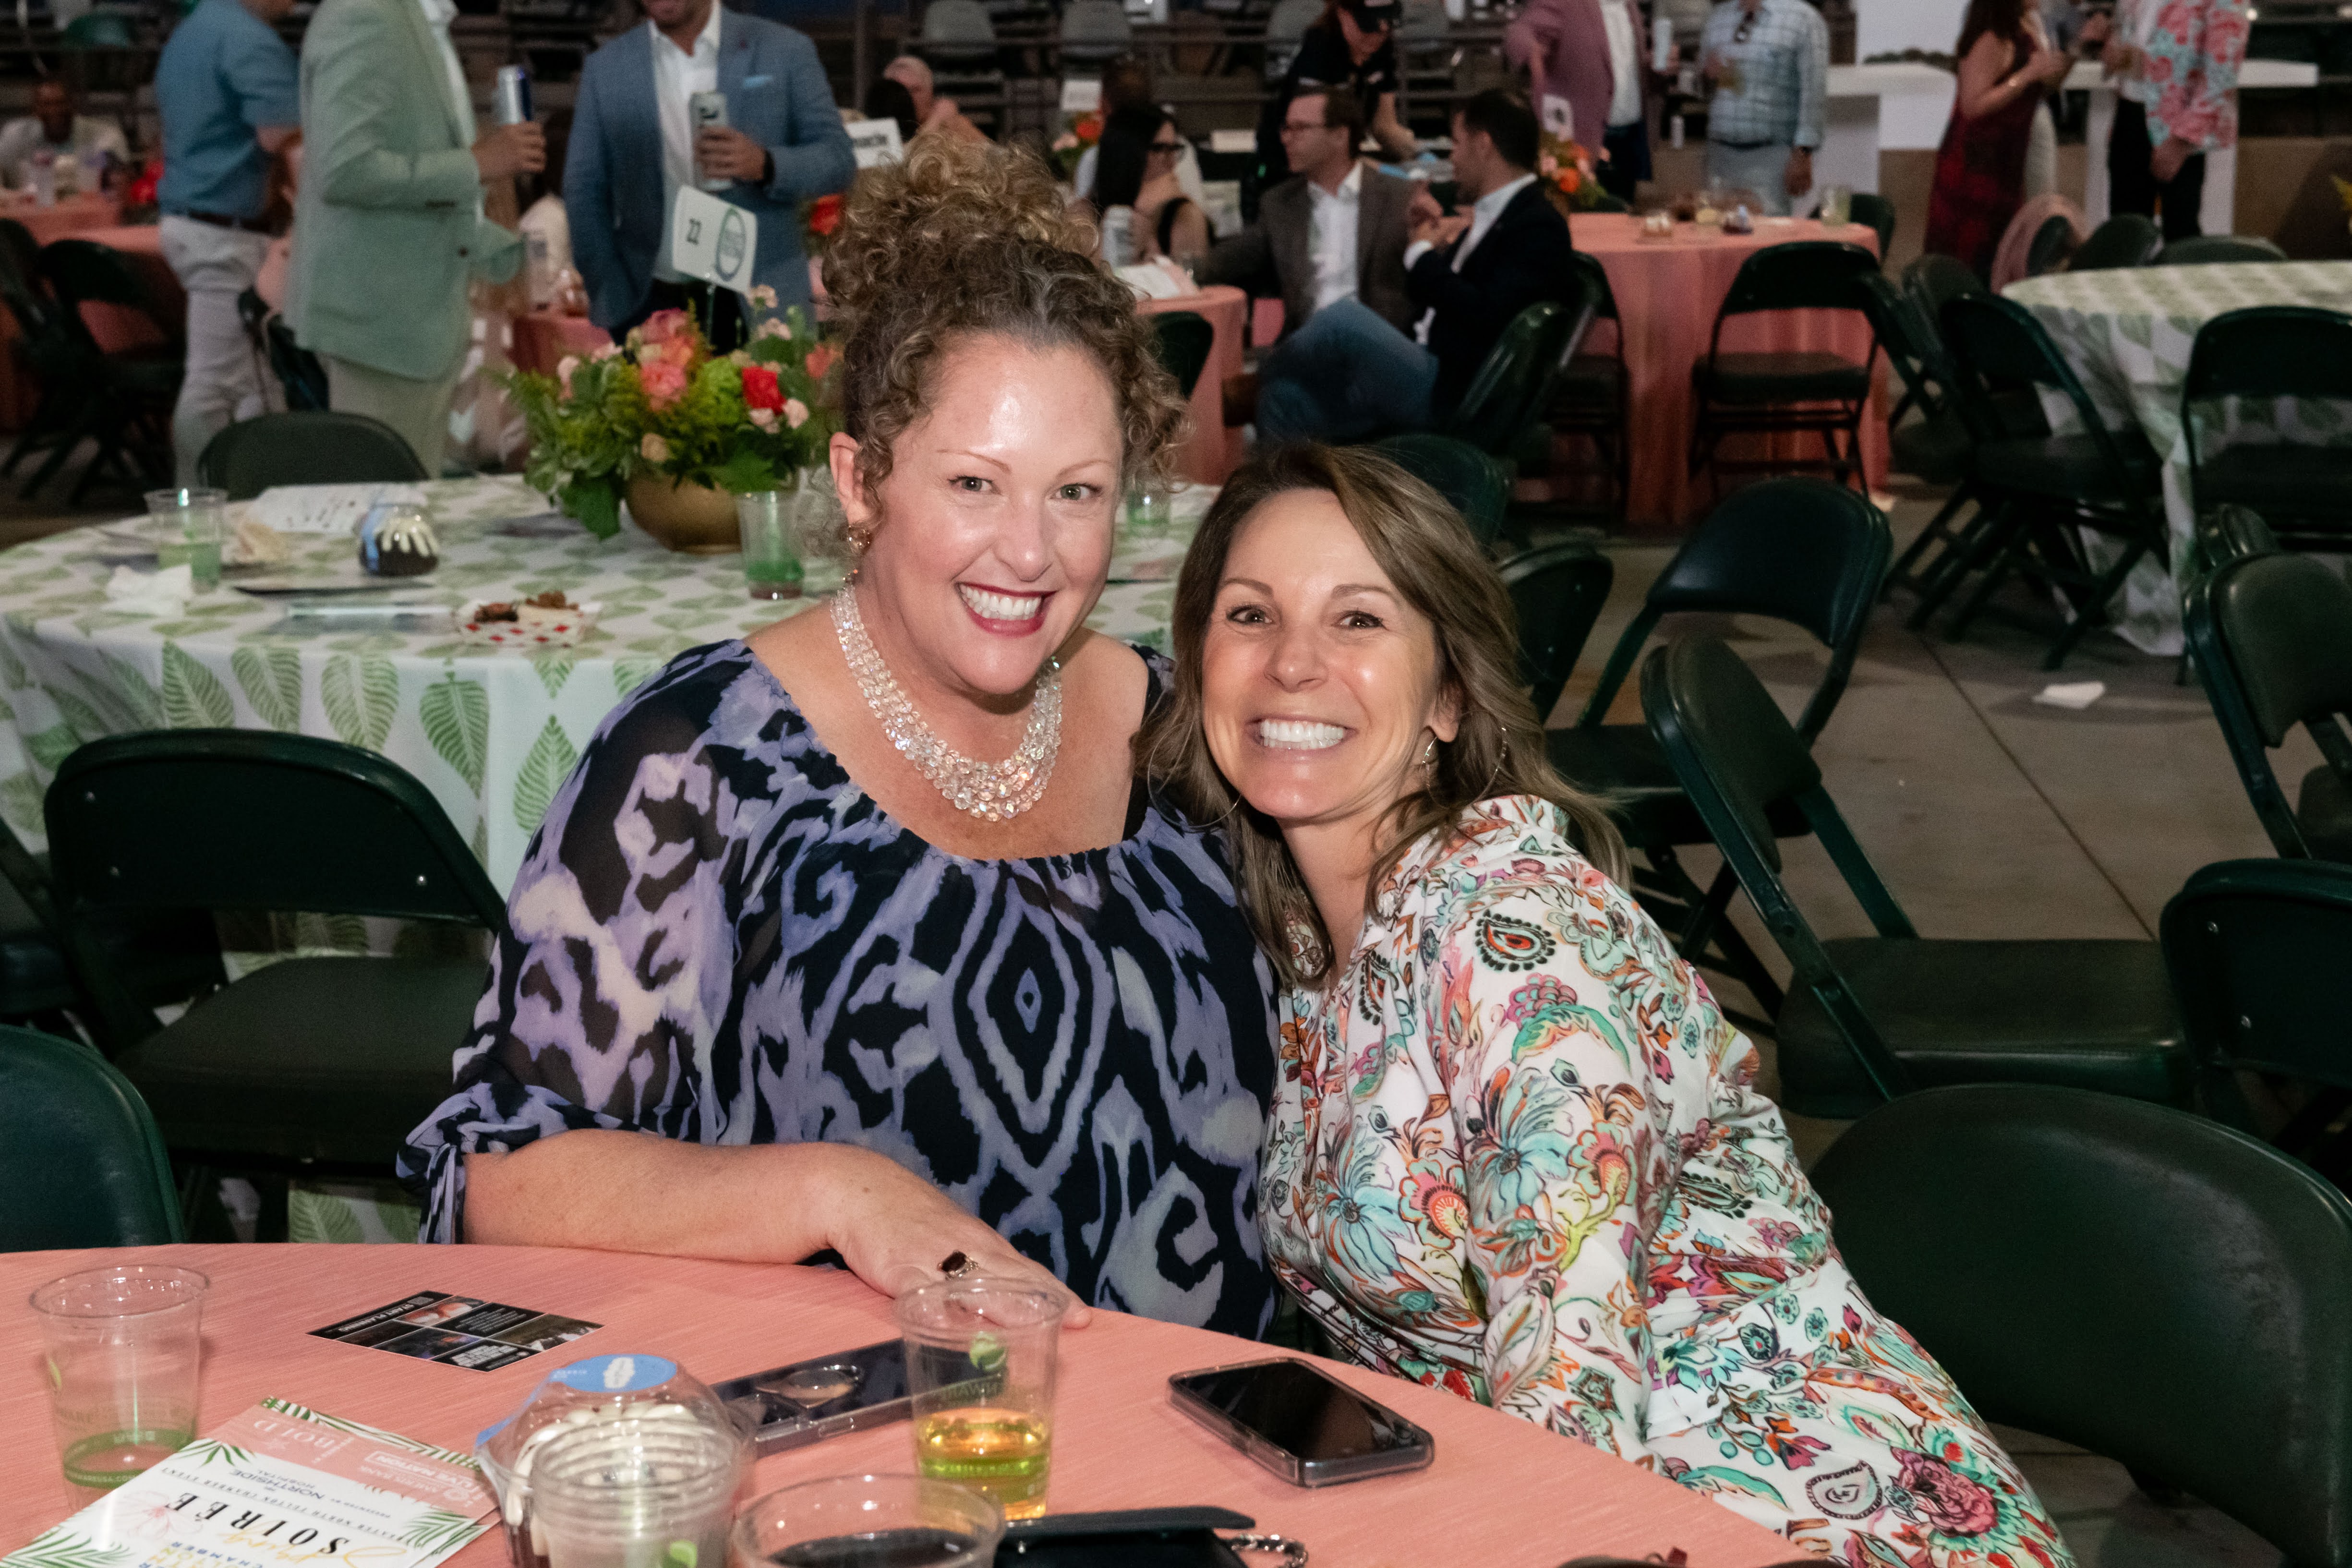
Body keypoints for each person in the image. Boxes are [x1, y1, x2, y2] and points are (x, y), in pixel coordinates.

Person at [398, 135, 1282, 1340]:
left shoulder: (1178, 733)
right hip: (887, 1463)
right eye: (973, 483)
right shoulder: (701, 762)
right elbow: (494, 1178)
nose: (1030, 552)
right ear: (861, 483)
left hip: (1216, 1438)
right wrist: (831, 1190)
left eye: (1074, 492)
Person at [1136, 442, 2076, 1560]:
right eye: (1249, 614)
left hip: (1773, 1496)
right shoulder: (1303, 928)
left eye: (1357, 619)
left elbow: (1565, 1360)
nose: (1291, 661)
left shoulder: (1512, 942)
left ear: (1446, 695)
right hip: (1535, 1485)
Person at [287, 0, 542, 475]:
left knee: (404, 510)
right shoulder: (366, 12)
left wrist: (490, 247)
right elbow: (345, 170)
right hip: (383, 322)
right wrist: (478, 163)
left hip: (409, 317)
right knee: (387, 516)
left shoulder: (411, 18)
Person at [1254, 90, 1574, 444]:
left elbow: (1486, 314)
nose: (1452, 159)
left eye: (1456, 144)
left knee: (1340, 320)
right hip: (1427, 367)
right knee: (1282, 401)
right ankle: (1299, 500)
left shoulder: (1535, 223)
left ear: (1483, 145)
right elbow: (1454, 297)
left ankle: (1255, 375)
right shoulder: (1497, 217)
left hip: (1456, 390)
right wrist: (1421, 243)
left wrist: (1420, 256)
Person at [566, 0, 854, 350]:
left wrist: (766, 164)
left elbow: (838, 159)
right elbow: (583, 190)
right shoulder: (607, 68)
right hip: (650, 302)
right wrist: (611, 292)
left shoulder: (784, 49)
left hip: (763, 298)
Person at [152, 0, 300, 482]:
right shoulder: (247, 38)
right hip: (223, 232)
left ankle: (255, 500)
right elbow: (285, 138)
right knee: (214, 385)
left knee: (257, 384)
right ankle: (193, 506)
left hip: (199, 222)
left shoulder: (194, 29)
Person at [1199, 88, 1415, 342]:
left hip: (1380, 344)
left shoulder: (1398, 197)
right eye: (1286, 128)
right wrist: (1172, 273)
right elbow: (1232, 258)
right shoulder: (1280, 203)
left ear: (1339, 136)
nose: (1287, 139)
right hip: (1309, 344)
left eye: (1300, 128)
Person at [1925, 0, 2083, 280]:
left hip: (2007, 154)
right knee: (1974, 250)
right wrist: (2026, 76)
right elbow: (1972, 105)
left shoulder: (2027, 23)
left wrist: (2074, 50)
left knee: (2006, 240)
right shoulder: (1991, 36)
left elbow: (2041, 83)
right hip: (1979, 161)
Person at [2102, 0, 2247, 241]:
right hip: (2130, 110)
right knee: (2124, 231)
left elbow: (2223, 67)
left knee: (2180, 233)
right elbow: (2132, 35)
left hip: (2180, 122)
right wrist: (2113, 48)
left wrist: (2184, 138)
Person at [1505, 0, 1663, 203]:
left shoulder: (1630, 5)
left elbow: (1626, 66)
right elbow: (1520, 33)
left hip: (1630, 138)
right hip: (1581, 145)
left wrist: (1656, 66)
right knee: (1585, 222)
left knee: (1623, 217)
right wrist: (1531, 53)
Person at [1255, 0, 1415, 199]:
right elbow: (1322, 148)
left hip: (1345, 166)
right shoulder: (1319, 50)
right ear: (1343, 14)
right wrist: (1381, 171)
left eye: (1387, 25)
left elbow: (1384, 125)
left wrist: (1417, 158)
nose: (1378, 35)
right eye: (1368, 26)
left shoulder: (1381, 49)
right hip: (1292, 173)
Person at [1698, 0, 1826, 217]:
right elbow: (1702, 90)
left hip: (1770, 159)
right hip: (1719, 156)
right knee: (1715, 236)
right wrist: (1706, 77)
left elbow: (1814, 92)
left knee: (1766, 238)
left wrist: (1804, 154)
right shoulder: (1718, 18)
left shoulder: (1803, 19)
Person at [1074, 57, 1206, 214]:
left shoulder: (1094, 157)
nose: (1170, 162)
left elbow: (1084, 224)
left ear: (1105, 105)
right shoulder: (1180, 148)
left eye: (1166, 149)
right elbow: (1200, 213)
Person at [1089, 103, 1209, 265]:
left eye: (1174, 149)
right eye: (1159, 149)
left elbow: (1189, 285)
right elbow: (1088, 282)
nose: (1171, 163)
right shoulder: (1085, 214)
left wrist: (1150, 238)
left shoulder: (1183, 215)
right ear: (1127, 154)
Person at [0, 79, 130, 193]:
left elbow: (119, 185)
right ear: (35, 109)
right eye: (46, 104)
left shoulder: (103, 137)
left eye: (60, 103)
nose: (54, 110)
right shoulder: (16, 137)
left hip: (88, 214)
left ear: (73, 104)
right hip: (30, 215)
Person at [881, 54, 985, 143]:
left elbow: (995, 156)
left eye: (915, 90)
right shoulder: (878, 128)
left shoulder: (952, 122)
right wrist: (936, 122)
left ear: (930, 92)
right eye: (901, 90)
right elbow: (904, 162)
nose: (908, 97)